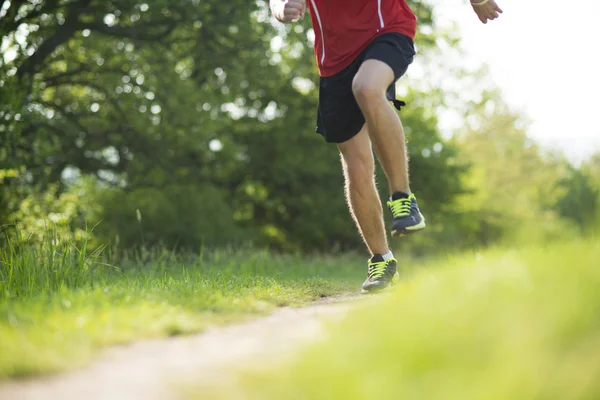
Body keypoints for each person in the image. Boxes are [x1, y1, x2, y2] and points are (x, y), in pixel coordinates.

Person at [269, 0, 503, 293]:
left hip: (386, 32)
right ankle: (382, 259)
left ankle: (403, 198)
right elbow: (277, 2)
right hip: (334, 59)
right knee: (356, 165)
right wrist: (283, 9)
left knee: (366, 87)